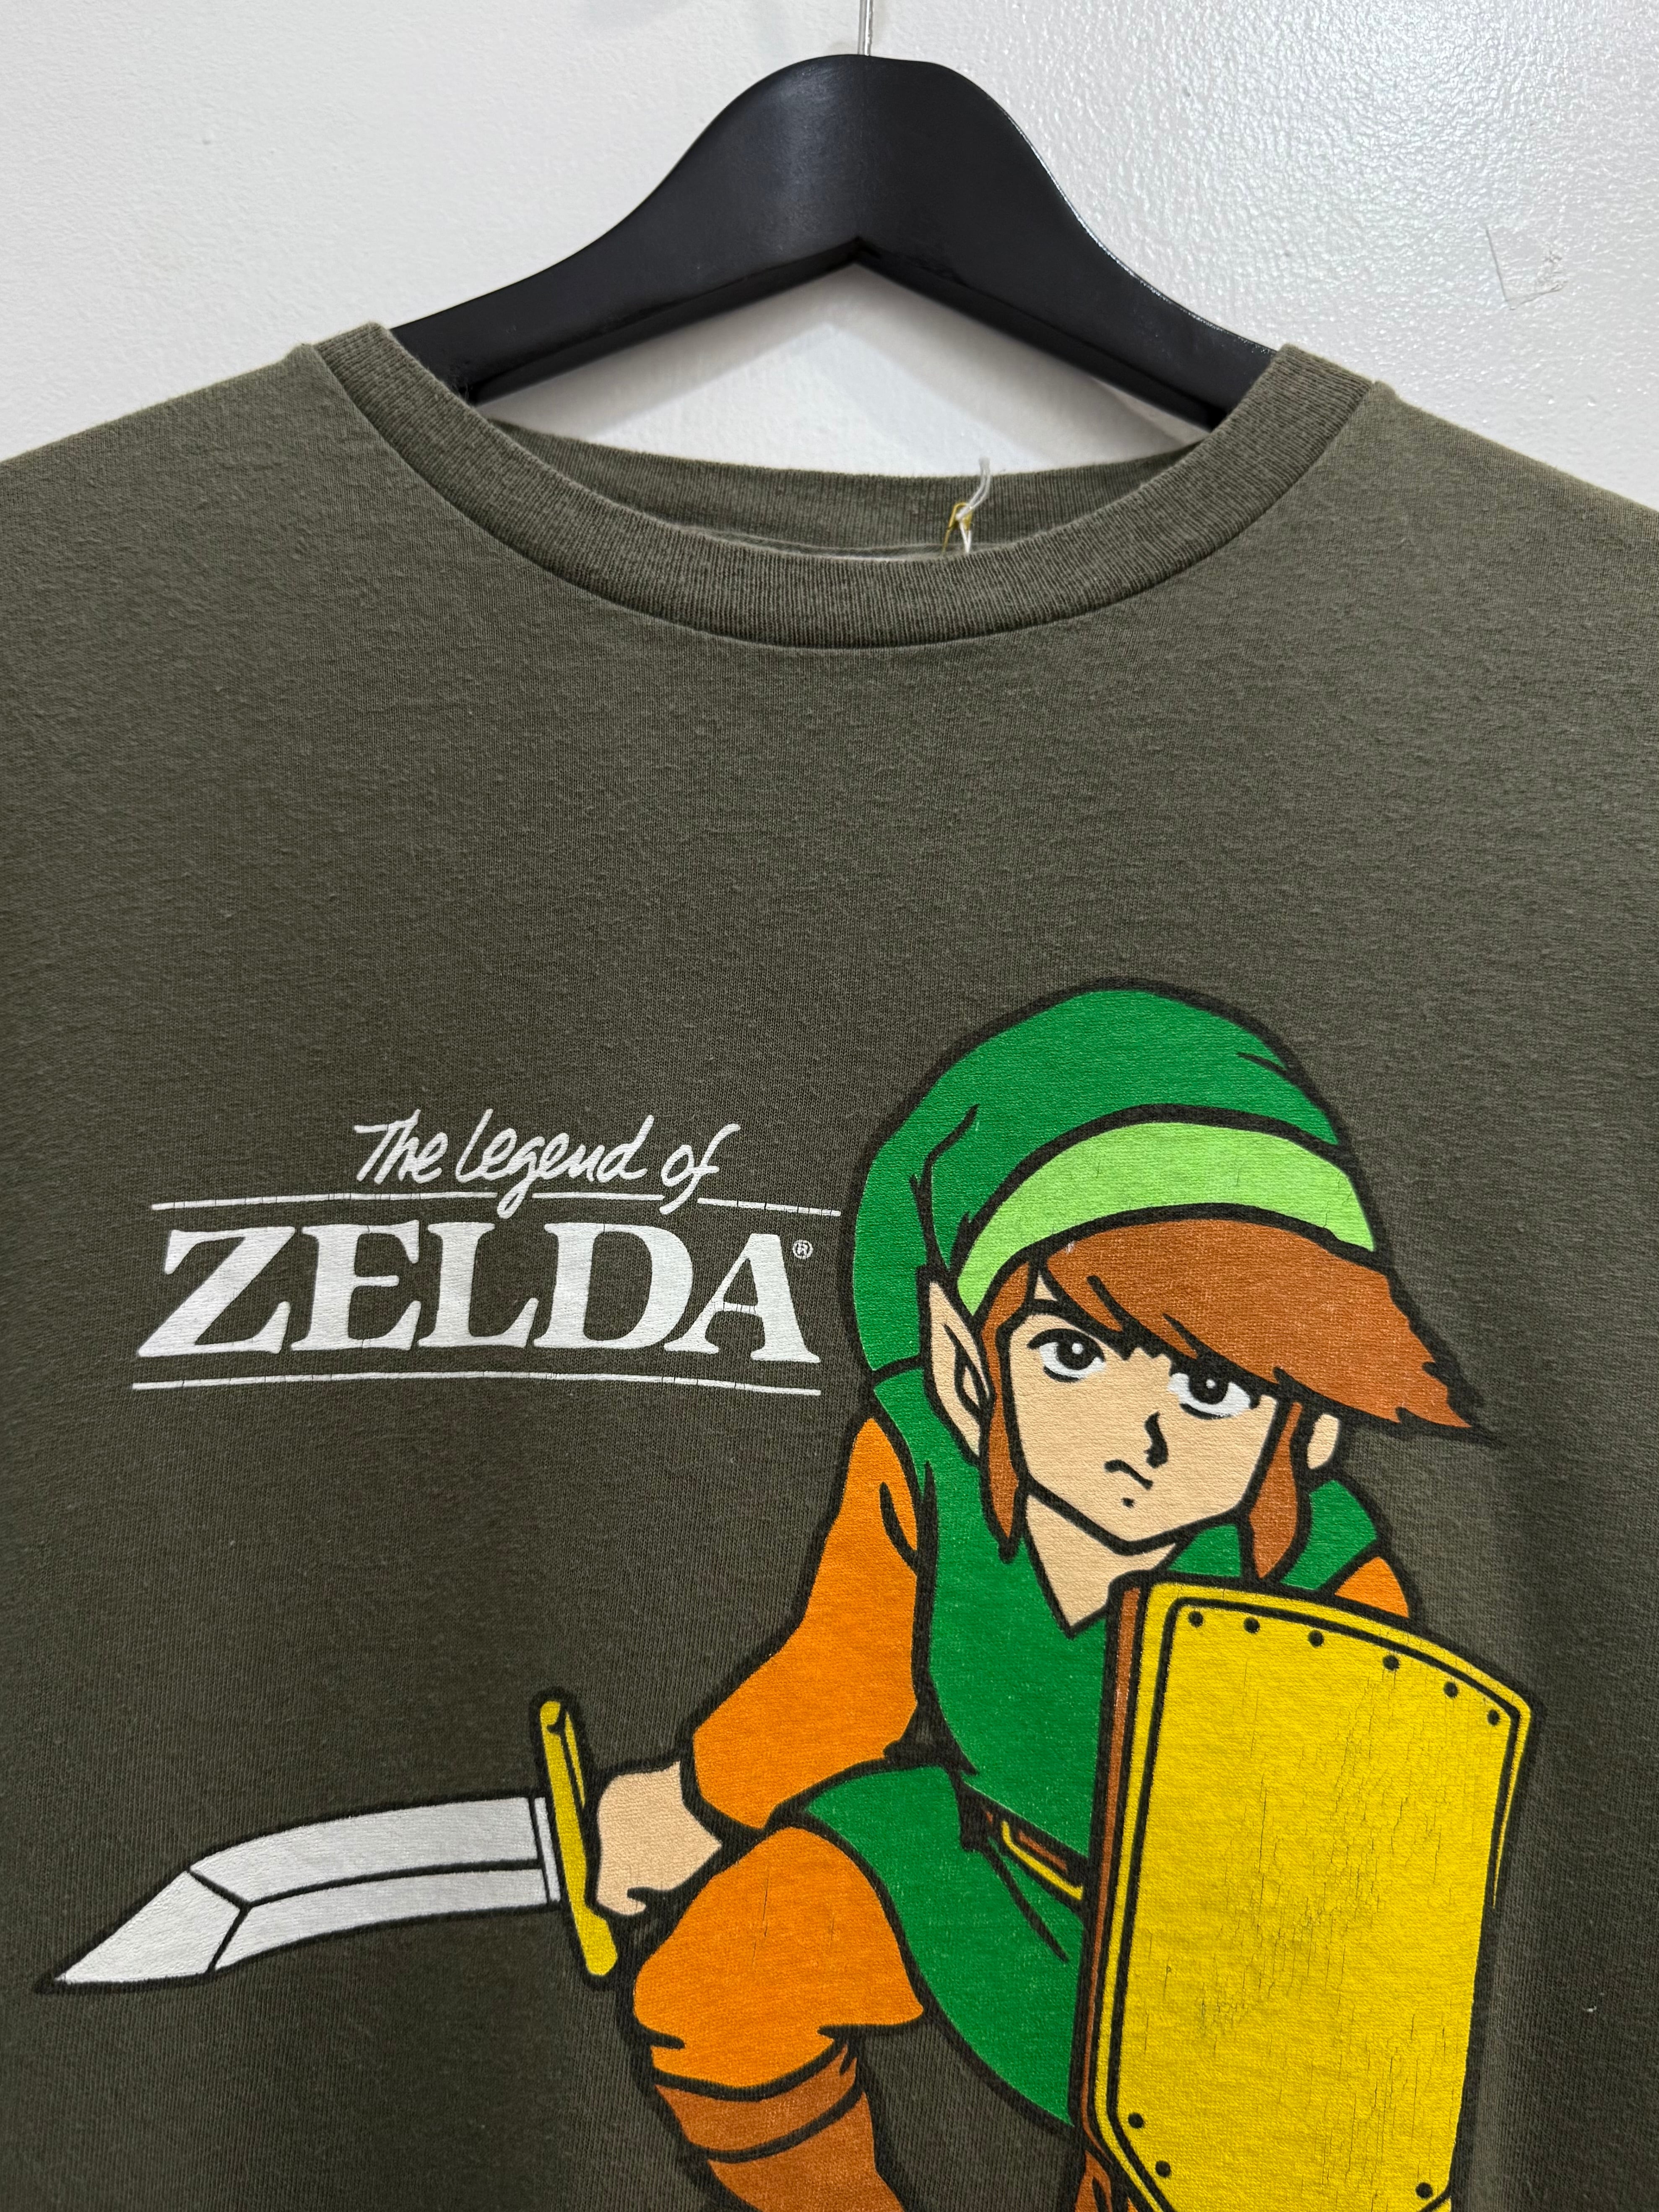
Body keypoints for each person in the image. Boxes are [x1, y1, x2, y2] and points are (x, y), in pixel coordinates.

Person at [595, 986, 1474, 2211]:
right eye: (1072, 1354)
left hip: (1194, 1980)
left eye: (1213, 1389)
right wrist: (691, 1803)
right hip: (980, 1858)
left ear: (1310, 1422)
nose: (1142, 1434)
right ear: (966, 1367)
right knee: (718, 1990)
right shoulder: (923, 1469)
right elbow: (844, 1678)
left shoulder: (1332, 1593)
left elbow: (1360, 1881)